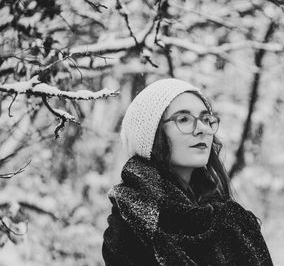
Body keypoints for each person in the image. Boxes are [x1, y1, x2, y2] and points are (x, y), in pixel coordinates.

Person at [102, 78, 274, 265]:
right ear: (151, 134)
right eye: (183, 119)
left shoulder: (233, 221)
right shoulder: (128, 229)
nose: (203, 129)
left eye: (206, 119)